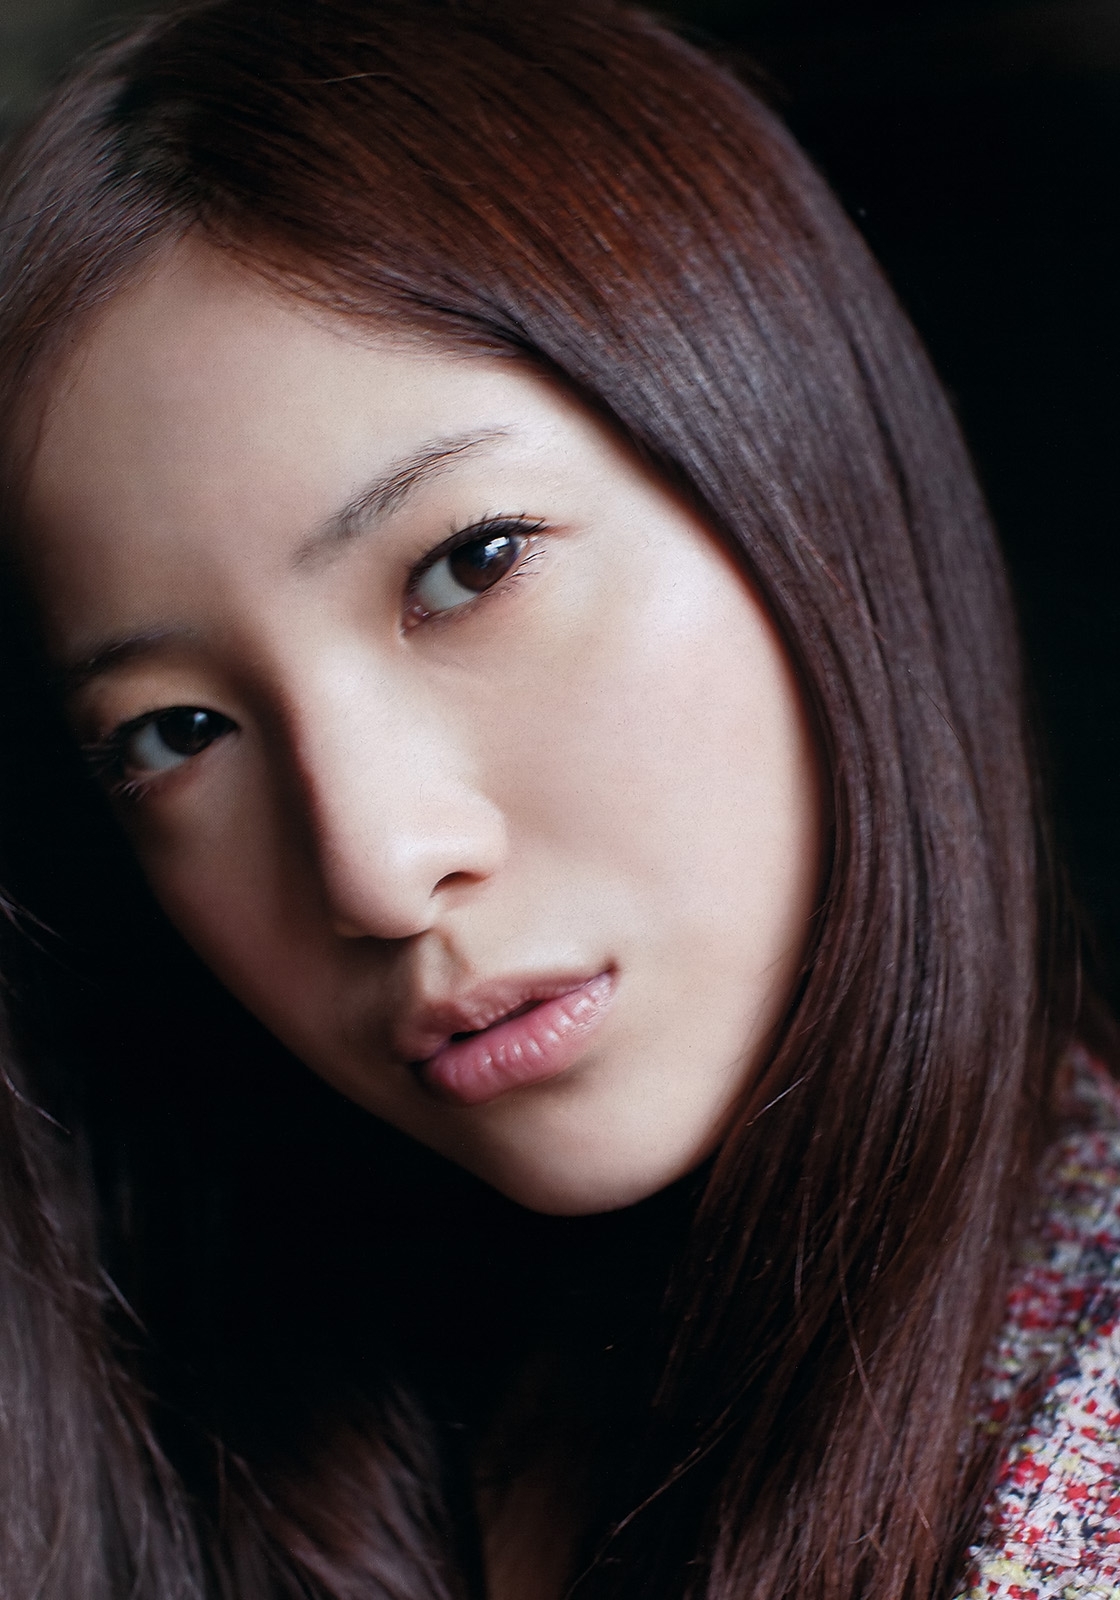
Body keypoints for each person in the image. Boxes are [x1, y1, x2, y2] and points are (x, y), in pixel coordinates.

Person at [0, 2, 1115, 1596]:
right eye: (176, 731)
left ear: (799, 481)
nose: (378, 867)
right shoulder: (162, 1404)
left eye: (471, 566)